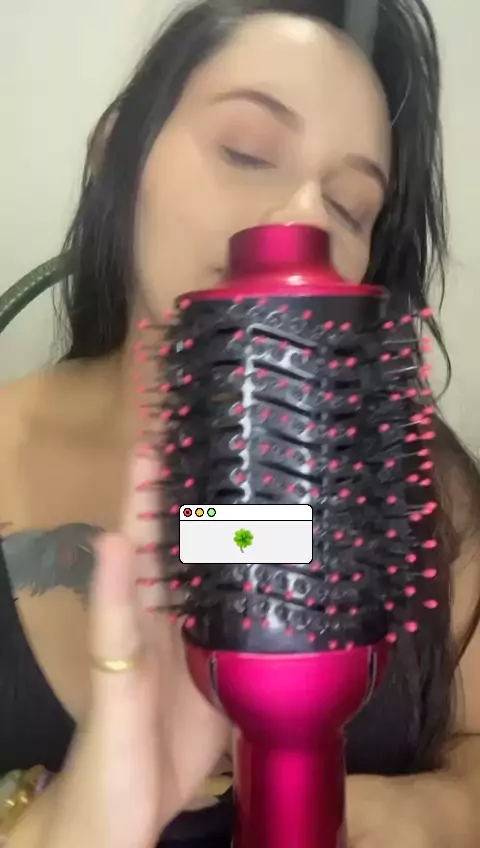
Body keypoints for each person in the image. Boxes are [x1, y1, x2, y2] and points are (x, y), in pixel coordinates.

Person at [1, 0, 480, 845]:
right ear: (116, 155)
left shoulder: (424, 493)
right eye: (247, 151)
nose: (304, 217)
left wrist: (403, 813)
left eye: (351, 206)